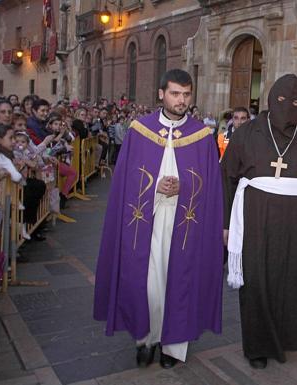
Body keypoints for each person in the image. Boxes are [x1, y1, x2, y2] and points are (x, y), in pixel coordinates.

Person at [94, 69, 224, 369]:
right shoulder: (140, 131)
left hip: (185, 222)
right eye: (176, 93)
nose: (181, 100)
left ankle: (173, 347)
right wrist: (154, 188)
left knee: (180, 282)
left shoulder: (202, 136)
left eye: (186, 94)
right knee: (149, 283)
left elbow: (212, 186)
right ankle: (146, 339)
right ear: (161, 94)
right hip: (146, 220)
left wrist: (184, 187)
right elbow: (125, 181)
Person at [221, 74, 297, 369]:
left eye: (296, 102)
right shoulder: (247, 133)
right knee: (258, 280)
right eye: (283, 100)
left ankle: (285, 338)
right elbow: (226, 179)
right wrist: (225, 224)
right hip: (256, 220)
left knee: (296, 280)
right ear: (271, 99)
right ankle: (258, 348)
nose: (289, 107)